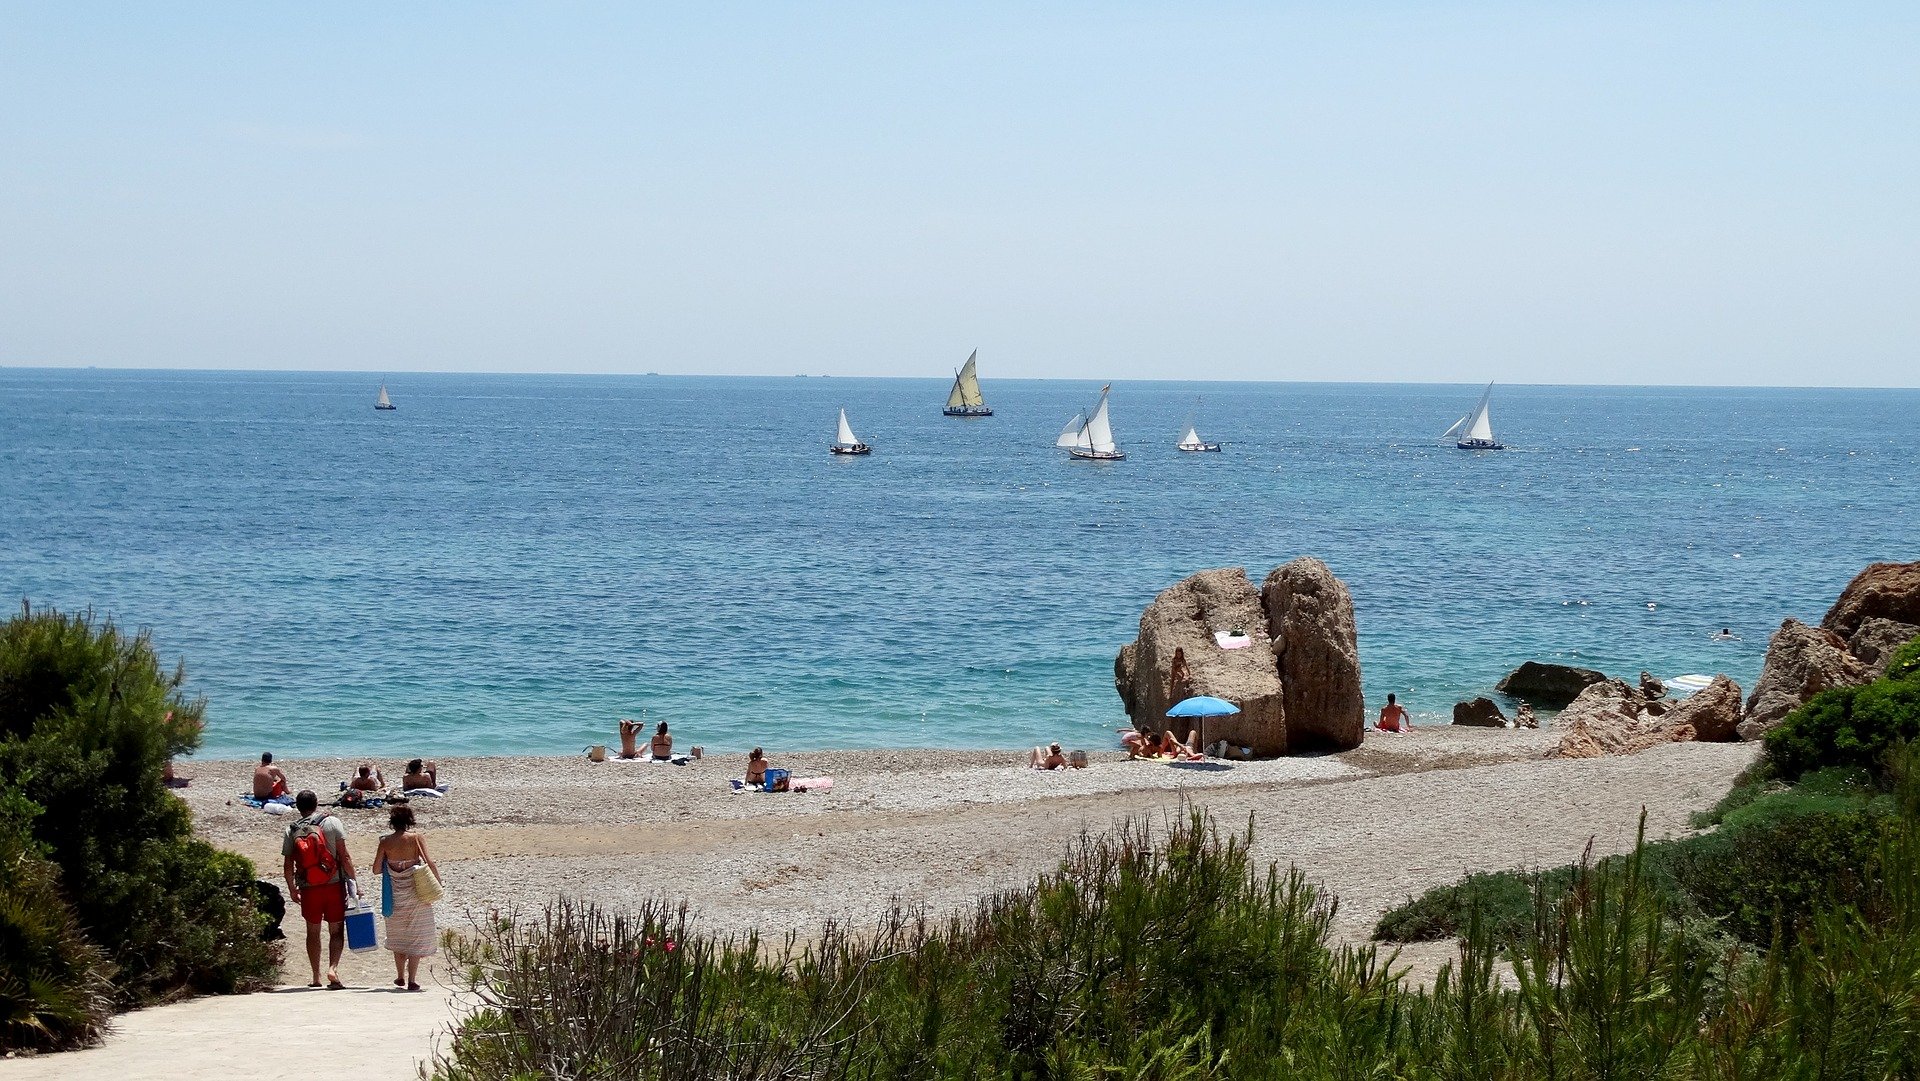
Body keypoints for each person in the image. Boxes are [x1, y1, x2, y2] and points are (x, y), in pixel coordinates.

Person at [281, 790, 357, 989]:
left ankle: (316, 977)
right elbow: (345, 856)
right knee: (336, 930)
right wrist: (354, 883)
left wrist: (291, 888)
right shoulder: (332, 823)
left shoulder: (292, 830)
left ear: (298, 807)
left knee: (312, 931)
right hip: (333, 885)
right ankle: (333, 969)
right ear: (316, 805)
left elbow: (288, 864)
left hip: (308, 887)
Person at [375, 804, 441, 992]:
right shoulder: (416, 839)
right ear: (409, 820)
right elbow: (430, 862)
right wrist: (438, 884)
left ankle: (399, 976)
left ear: (392, 822)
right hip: (416, 894)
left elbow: (376, 869)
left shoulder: (385, 841)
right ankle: (412, 979)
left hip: (395, 896)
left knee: (399, 935)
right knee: (415, 936)